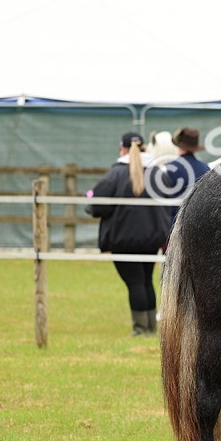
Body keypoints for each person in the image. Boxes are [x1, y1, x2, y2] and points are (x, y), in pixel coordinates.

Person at [89, 132, 172, 336]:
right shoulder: (157, 172)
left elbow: (97, 206)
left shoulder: (115, 173)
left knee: (135, 283)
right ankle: (151, 327)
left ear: (123, 149)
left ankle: (140, 328)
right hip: (152, 238)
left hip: (123, 239)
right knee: (145, 280)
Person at [161, 127, 210, 221]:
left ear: (179, 146)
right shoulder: (205, 168)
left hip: (173, 223)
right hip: (197, 222)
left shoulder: (168, 168)